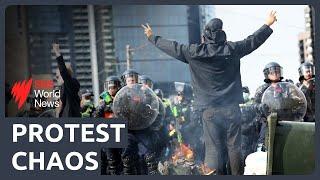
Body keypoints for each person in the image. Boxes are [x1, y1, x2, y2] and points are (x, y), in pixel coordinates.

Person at [142, 11, 277, 175]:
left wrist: (152, 37)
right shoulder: (232, 49)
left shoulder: (194, 52)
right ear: (222, 33)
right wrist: (267, 24)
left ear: (204, 36)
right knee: (234, 147)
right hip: (231, 109)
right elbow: (252, 41)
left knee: (214, 149)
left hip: (209, 111)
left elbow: (173, 47)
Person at [253, 62, 284, 151]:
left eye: (277, 72)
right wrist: (262, 107)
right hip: (266, 120)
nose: (275, 74)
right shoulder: (262, 89)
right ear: (267, 75)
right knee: (263, 140)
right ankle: (261, 151)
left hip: (283, 119)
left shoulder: (285, 87)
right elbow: (254, 105)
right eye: (272, 72)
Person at [52, 43, 81, 117]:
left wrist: (57, 53)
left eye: (57, 76)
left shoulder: (71, 85)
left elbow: (63, 71)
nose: (56, 78)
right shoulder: (62, 89)